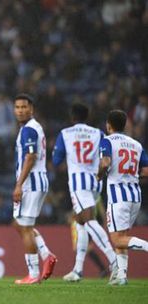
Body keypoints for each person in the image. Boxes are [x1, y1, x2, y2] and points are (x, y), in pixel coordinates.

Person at [52, 103, 116, 282]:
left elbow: (56, 160)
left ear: (72, 117)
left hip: (78, 184)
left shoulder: (65, 134)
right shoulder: (99, 133)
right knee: (79, 223)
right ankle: (78, 270)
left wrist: (68, 162)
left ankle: (114, 261)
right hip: (96, 183)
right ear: (87, 117)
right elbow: (106, 157)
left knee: (87, 221)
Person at [97, 109, 148, 285]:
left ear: (108, 124)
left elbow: (105, 163)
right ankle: (121, 276)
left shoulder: (107, 141)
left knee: (117, 239)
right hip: (135, 195)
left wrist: (98, 175)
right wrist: (131, 174)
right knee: (123, 236)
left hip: (118, 195)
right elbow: (146, 171)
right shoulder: (136, 144)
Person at [11, 94, 57, 285]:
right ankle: (46, 255)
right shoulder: (32, 127)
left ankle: (33, 273)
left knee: (25, 227)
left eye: (24, 107)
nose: (20, 110)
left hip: (31, 183)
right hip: (36, 182)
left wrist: (19, 184)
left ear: (32, 109)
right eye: (17, 107)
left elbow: (30, 158)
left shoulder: (29, 129)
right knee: (18, 224)